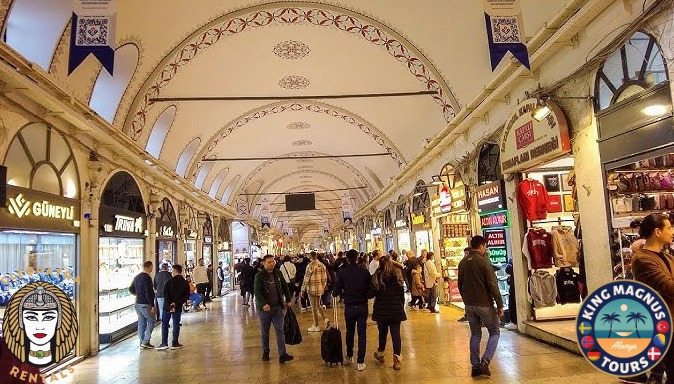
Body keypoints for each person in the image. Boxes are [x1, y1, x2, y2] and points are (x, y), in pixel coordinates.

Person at [628, 213, 674, 384]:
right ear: (657, 231)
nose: (672, 231)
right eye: (668, 227)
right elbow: (668, 286)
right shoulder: (642, 259)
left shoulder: (667, 257)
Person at [458, 236, 504, 378]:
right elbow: (492, 285)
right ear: (482, 246)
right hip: (484, 304)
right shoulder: (484, 262)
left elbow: (460, 285)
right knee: (495, 332)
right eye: (485, 247)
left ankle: (475, 366)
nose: (485, 249)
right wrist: (500, 304)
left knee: (476, 334)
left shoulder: (463, 262)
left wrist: (466, 300)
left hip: (469, 306)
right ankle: (485, 361)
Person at [333, 249, 371, 371]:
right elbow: (371, 290)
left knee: (349, 332)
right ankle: (361, 361)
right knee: (362, 334)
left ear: (347, 258)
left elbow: (336, 292)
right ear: (357, 257)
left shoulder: (343, 273)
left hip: (349, 307)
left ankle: (349, 356)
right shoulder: (364, 272)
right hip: (362, 306)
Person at [254, 254, 294, 363]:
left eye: (273, 262)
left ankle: (282, 354)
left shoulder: (278, 273)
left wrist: (288, 299)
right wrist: (263, 304)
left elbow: (284, 286)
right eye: (269, 262)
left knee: (280, 331)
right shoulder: (259, 276)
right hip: (265, 310)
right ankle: (266, 352)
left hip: (277, 308)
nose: (272, 264)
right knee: (265, 332)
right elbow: (257, 292)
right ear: (264, 263)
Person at [371, 255, 406, 370]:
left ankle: (381, 354)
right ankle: (397, 360)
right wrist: (400, 305)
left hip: (382, 309)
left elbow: (372, 292)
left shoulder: (377, 275)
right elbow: (402, 294)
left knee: (382, 333)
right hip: (395, 309)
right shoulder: (397, 275)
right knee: (396, 334)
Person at [156, 264, 190, 350]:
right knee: (176, 324)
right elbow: (186, 296)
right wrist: (176, 303)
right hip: (177, 307)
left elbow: (165, 293)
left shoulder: (169, 281)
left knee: (165, 323)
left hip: (167, 307)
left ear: (175, 271)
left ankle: (164, 343)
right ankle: (175, 343)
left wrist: (170, 303)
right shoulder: (185, 283)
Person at [301, 251, 330, 332]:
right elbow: (325, 278)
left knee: (314, 308)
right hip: (320, 289)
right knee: (318, 305)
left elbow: (306, 279)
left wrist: (302, 289)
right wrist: (322, 286)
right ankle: (325, 318)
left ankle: (316, 325)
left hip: (312, 289)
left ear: (310, 257)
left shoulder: (310, 266)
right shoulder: (322, 265)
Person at [129, 261, 156, 349]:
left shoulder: (137, 277)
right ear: (148, 267)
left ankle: (142, 342)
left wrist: (138, 294)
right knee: (152, 321)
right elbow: (149, 292)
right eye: (152, 267)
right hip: (145, 304)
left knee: (141, 322)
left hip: (137, 303)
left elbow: (131, 289)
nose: (152, 268)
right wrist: (152, 305)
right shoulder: (147, 278)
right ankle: (146, 341)